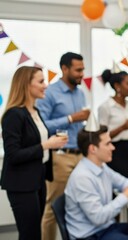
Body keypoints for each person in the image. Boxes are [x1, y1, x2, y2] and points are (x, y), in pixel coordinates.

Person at [1, 66, 68, 240]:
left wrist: (52, 143)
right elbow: (13, 154)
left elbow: (34, 143)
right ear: (26, 85)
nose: (46, 85)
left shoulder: (35, 112)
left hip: (38, 179)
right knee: (30, 235)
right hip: (21, 184)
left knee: (34, 232)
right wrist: (46, 144)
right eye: (40, 81)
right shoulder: (13, 115)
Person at [65, 125, 128, 240]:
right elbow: (98, 218)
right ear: (93, 149)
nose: (113, 148)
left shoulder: (101, 166)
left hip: (106, 228)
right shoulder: (82, 178)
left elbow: (124, 182)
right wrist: (126, 196)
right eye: (107, 144)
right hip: (91, 235)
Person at [37, 52, 90, 240]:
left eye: (83, 70)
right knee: (53, 207)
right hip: (60, 157)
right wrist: (71, 118)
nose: (82, 74)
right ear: (64, 69)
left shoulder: (81, 93)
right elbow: (41, 125)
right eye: (78, 70)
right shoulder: (49, 93)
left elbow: (79, 126)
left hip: (81, 155)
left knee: (78, 203)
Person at [98, 69, 128, 181]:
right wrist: (123, 127)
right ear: (117, 86)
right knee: (118, 186)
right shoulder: (105, 107)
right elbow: (101, 136)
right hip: (114, 151)